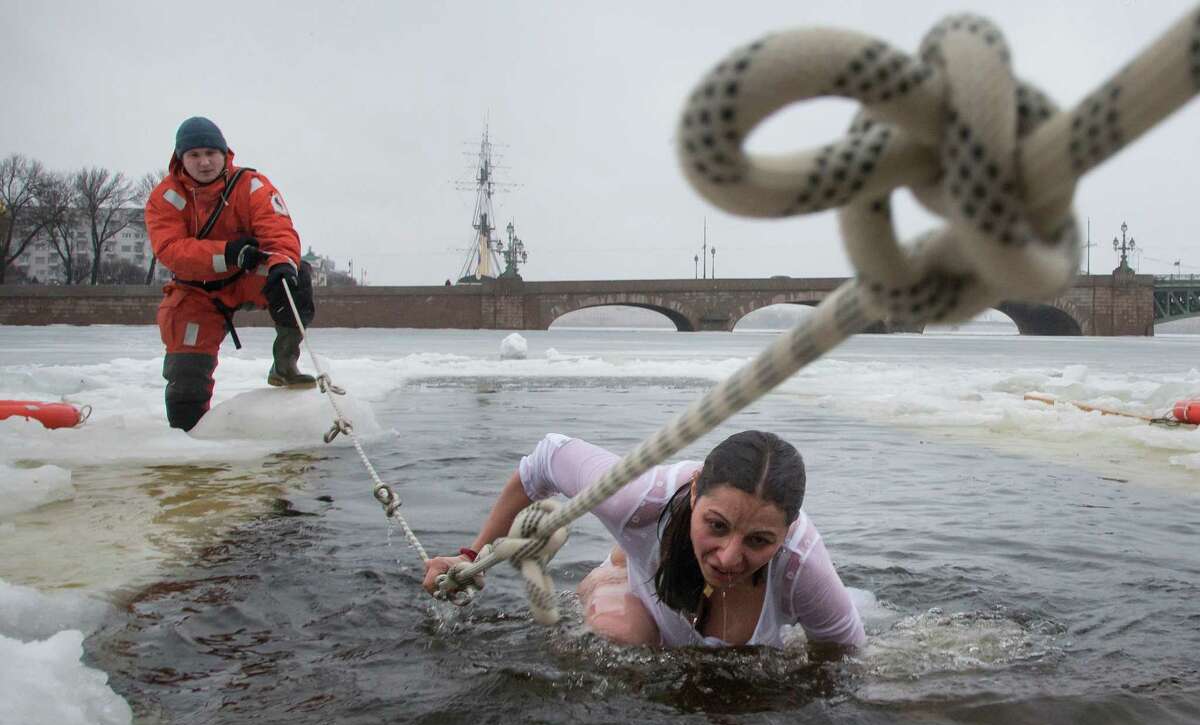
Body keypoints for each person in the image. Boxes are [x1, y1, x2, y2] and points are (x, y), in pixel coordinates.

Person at [423, 431, 866, 650]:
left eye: (759, 541)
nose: (729, 557)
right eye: (716, 525)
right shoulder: (635, 499)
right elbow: (545, 459)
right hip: (627, 583)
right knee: (622, 639)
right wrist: (471, 554)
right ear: (694, 492)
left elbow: (843, 655)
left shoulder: (801, 564)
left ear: (786, 534)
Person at [145, 116, 317, 432]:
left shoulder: (252, 186)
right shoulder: (165, 198)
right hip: (195, 292)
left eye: (211, 152)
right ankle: (187, 441)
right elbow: (171, 249)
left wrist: (281, 263)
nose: (205, 162)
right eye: (194, 155)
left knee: (295, 280)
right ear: (181, 159)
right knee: (186, 376)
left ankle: (285, 362)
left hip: (247, 278)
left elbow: (277, 228)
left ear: (225, 153)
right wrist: (227, 253)